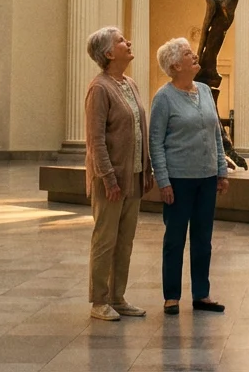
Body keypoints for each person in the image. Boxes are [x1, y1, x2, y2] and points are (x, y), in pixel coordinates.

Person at [149, 37, 230, 315]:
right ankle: (171, 296)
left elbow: (216, 134)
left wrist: (221, 171)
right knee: (174, 239)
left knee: (203, 239)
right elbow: (156, 142)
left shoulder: (205, 91)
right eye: (187, 53)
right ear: (175, 65)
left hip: (207, 178)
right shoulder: (164, 98)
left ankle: (201, 294)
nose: (194, 55)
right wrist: (163, 181)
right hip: (178, 180)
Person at [84, 26, 154, 322]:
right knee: (105, 240)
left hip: (133, 176)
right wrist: (108, 178)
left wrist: (146, 168)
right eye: (121, 41)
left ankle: (117, 297)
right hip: (109, 181)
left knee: (125, 241)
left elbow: (139, 130)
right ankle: (99, 300)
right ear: (109, 53)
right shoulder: (99, 88)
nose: (128, 42)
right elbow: (95, 140)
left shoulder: (130, 84)